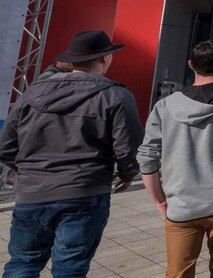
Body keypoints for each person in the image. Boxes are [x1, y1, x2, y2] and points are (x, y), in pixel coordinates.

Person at [0, 30, 143, 277]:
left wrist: (29, 171)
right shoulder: (116, 95)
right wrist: (128, 174)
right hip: (85, 191)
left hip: (33, 191)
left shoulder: (32, 93)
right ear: (105, 58)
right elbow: (128, 147)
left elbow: (5, 145)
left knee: (23, 263)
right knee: (70, 268)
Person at [139, 40, 213, 277]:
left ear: (190, 65)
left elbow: (147, 157)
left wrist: (159, 200)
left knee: (178, 273)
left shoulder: (165, 106)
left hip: (181, 204)